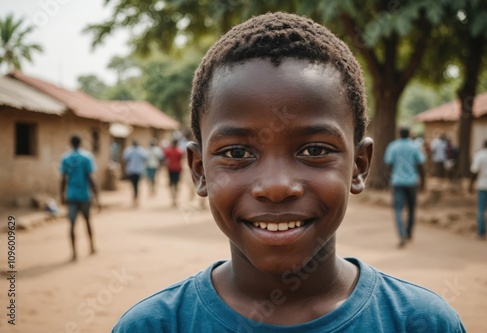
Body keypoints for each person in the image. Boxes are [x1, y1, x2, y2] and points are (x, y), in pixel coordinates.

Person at [112, 12, 465, 332]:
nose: (277, 187)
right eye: (237, 153)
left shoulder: (421, 324)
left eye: (314, 151)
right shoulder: (153, 327)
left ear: (359, 167)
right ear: (200, 171)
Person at [384, 127, 426, 248]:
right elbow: (421, 166)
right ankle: (409, 233)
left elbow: (389, 166)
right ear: (409, 134)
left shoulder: (393, 146)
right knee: (412, 208)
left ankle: (401, 234)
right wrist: (423, 183)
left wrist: (387, 182)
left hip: (397, 182)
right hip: (412, 182)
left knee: (398, 209)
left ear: (399, 134)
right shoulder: (415, 146)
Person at [60, 135, 100, 261]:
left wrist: (61, 195)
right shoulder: (87, 157)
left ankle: (74, 252)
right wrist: (97, 197)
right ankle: (92, 247)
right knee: (87, 221)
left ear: (70, 143)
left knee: (72, 224)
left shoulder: (66, 158)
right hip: (84, 195)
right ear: (81, 143)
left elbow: (63, 179)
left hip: (71, 196)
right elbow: (91, 178)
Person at [122, 139, 147, 205]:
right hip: (138, 170)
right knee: (136, 185)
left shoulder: (129, 150)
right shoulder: (141, 151)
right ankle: (136, 197)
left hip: (132, 170)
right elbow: (144, 159)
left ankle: (135, 197)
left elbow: (125, 159)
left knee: (134, 185)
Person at [163, 139, 183, 207]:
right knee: (176, 184)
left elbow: (165, 158)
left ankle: (173, 199)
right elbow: (181, 159)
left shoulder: (168, 151)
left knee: (171, 184)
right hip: (177, 169)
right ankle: (175, 199)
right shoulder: (179, 151)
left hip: (170, 169)